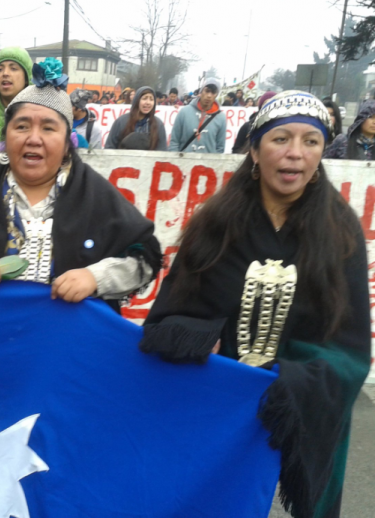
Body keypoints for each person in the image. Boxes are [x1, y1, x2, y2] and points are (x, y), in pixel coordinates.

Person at [140, 90, 369, 518]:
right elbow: (167, 317)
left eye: (311, 141)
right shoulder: (216, 224)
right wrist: (197, 340)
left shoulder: (340, 233)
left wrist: (290, 382)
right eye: (281, 139)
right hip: (220, 405)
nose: (296, 155)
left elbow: (350, 351)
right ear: (254, 148)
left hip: (300, 405)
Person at [0, 60, 162, 311]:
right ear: (6, 138)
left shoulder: (95, 194)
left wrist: (95, 277)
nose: (33, 138)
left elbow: (147, 256)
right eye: (22, 126)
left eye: (49, 128)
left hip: (68, 343)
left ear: (66, 144)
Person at [168, 77, 226, 153]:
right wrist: (176, 162)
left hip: (208, 164)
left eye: (213, 92)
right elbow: (174, 142)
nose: (209, 95)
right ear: (201, 91)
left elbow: (220, 148)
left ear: (216, 95)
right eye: (207, 91)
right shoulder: (184, 112)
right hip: (184, 163)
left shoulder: (221, 118)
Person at [105, 86, 167, 151]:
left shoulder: (158, 124)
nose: (148, 102)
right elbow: (109, 147)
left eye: (151, 99)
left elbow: (162, 150)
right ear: (137, 100)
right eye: (144, 98)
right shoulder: (121, 122)